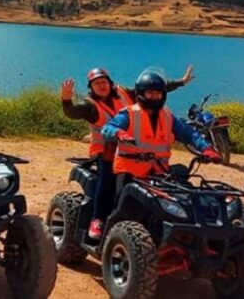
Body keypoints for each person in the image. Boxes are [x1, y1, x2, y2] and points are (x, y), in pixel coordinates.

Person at [60, 65, 195, 239]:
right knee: (107, 178)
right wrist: (66, 100)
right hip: (104, 152)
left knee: (168, 179)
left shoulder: (124, 94)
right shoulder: (91, 106)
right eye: (96, 84)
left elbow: (152, 88)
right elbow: (72, 112)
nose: (101, 86)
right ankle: (98, 219)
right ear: (91, 88)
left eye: (103, 82)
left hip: (135, 151)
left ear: (110, 83)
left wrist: (181, 82)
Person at [103, 69, 221, 209]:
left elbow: (188, 133)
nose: (154, 97)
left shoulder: (167, 115)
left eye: (158, 93)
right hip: (130, 173)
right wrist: (118, 133)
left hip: (159, 172)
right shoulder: (129, 114)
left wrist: (206, 148)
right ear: (141, 93)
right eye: (150, 93)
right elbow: (107, 129)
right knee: (127, 208)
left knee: (183, 200)